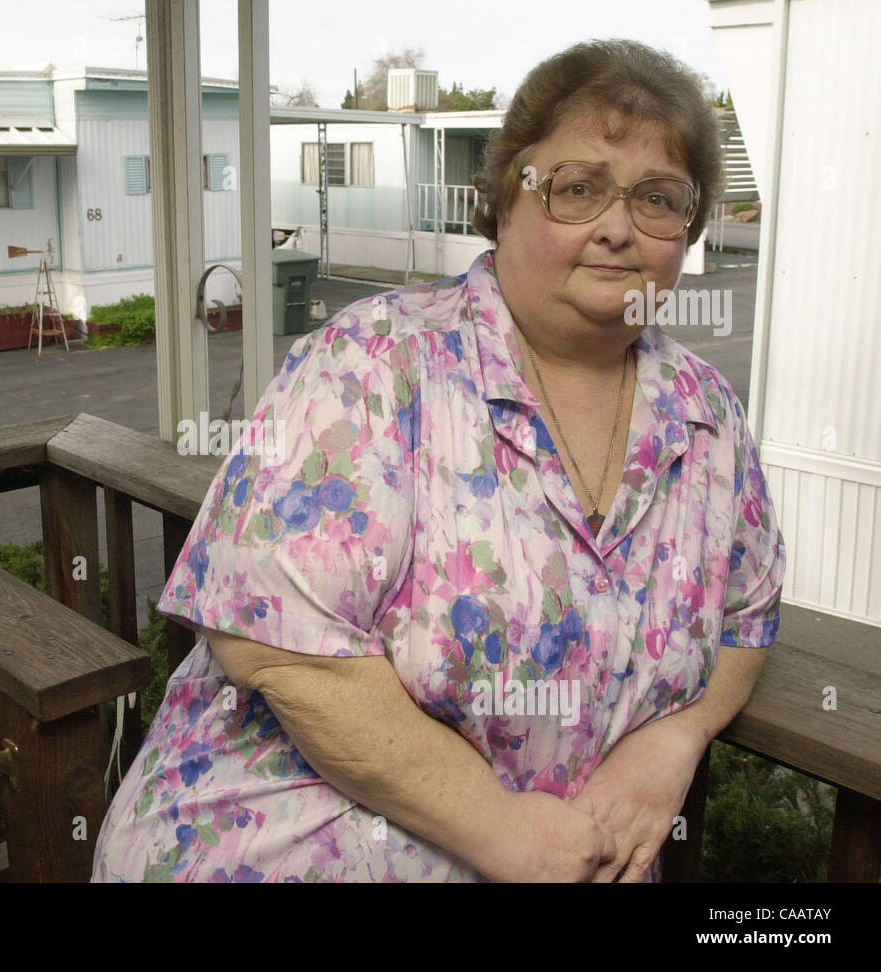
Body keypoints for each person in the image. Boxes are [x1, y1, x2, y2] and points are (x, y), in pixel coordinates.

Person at [91, 38, 786, 883]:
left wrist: (676, 739)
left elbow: (749, 618)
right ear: (502, 200)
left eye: (658, 199)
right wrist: (495, 829)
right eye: (576, 188)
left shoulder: (706, 413)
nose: (615, 228)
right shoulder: (374, 360)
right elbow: (271, 643)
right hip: (269, 847)